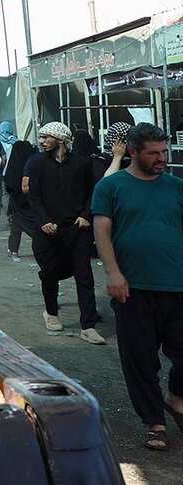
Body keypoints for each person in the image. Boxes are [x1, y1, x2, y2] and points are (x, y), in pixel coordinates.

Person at [91, 123, 183, 452]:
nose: (162, 158)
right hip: (132, 287)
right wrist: (113, 273)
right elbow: (102, 231)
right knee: (140, 359)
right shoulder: (111, 186)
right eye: (153, 153)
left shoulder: (176, 186)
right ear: (133, 152)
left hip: (177, 284)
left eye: (164, 151)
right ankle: (155, 424)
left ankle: (176, 398)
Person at [29, 121, 104, 344]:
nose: (42, 142)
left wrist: (85, 215)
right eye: (41, 137)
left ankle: (88, 326)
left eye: (46, 137)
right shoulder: (38, 164)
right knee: (49, 274)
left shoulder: (81, 164)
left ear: (60, 139)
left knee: (84, 276)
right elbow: (34, 198)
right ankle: (51, 313)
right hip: (48, 232)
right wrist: (44, 221)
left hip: (77, 229)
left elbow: (92, 192)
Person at [3, 135, 39, 258]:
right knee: (35, 223)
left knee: (16, 225)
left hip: (18, 201)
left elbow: (9, 184)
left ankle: (13, 249)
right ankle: (41, 244)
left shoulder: (14, 165)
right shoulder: (34, 164)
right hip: (33, 200)